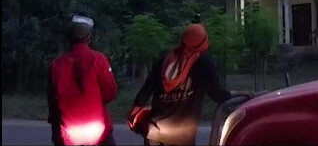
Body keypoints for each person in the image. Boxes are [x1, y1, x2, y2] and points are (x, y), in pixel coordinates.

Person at [129, 21, 254, 146]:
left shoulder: (164, 61)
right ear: (203, 42)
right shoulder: (204, 65)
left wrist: (133, 115)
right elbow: (219, 95)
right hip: (181, 137)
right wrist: (239, 93)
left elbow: (144, 93)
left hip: (154, 135)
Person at [47, 15, 118, 146]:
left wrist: (56, 134)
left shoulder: (56, 65)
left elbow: (53, 104)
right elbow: (110, 93)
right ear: (89, 37)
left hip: (68, 133)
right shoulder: (99, 59)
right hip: (98, 131)